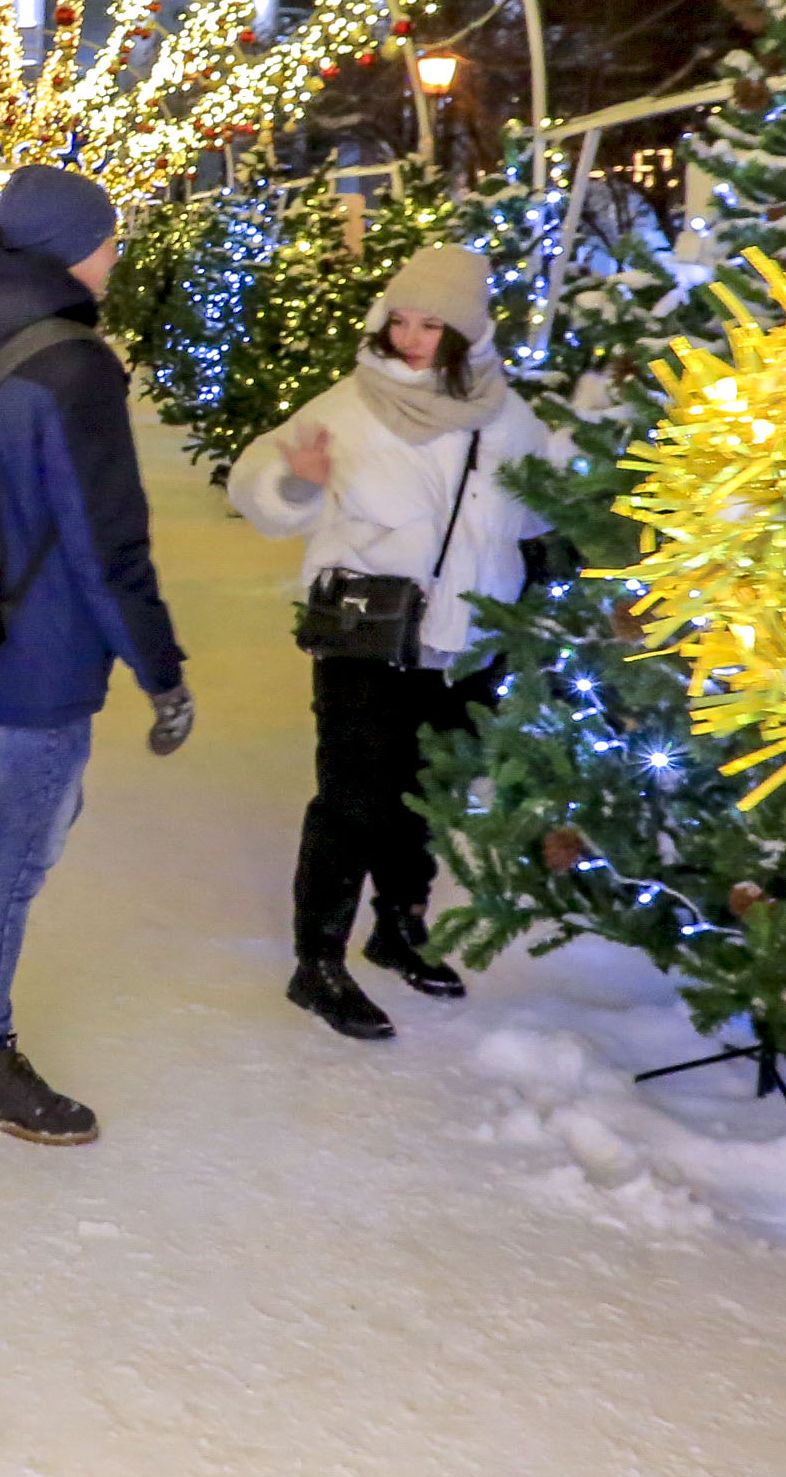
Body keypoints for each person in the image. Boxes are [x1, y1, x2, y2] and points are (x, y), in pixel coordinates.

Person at [0, 166, 194, 1145]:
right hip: (44, 648)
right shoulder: (74, 366)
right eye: (108, 237)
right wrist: (161, 669)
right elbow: (105, 541)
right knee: (24, 839)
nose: (116, 254)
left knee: (22, 824)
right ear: (70, 248)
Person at [229, 243, 551, 1041]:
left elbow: (545, 509)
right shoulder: (350, 404)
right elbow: (259, 483)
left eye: (429, 323)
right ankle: (319, 960)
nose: (409, 338)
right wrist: (296, 477)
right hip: (367, 635)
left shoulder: (509, 417)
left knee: (427, 794)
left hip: (470, 641)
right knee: (354, 796)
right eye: (399, 320)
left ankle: (399, 926)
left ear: (467, 333)